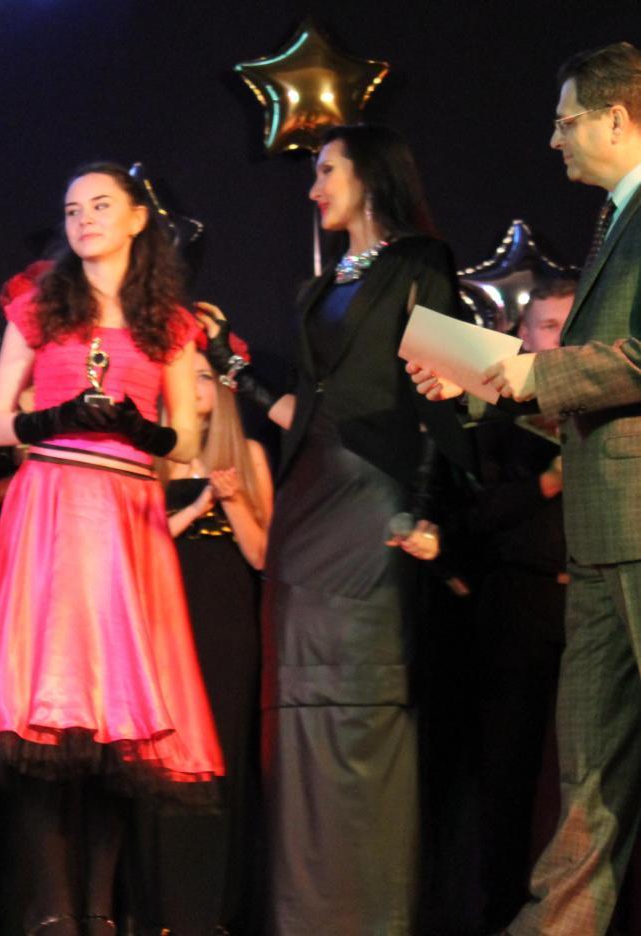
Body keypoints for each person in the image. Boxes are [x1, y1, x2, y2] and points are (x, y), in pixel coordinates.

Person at [0, 162, 224, 936]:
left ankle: (98, 911)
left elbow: (185, 441)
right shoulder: (38, 307)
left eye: (100, 205)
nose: (84, 219)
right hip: (53, 510)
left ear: (137, 219)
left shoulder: (171, 322)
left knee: (119, 724)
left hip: (126, 516)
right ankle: (56, 914)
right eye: (72, 209)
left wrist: (138, 428)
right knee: (42, 713)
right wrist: (52, 418)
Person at [202, 125, 473, 935]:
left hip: (370, 500)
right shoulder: (317, 290)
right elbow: (308, 412)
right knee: (298, 710)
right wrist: (234, 367)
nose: (314, 186)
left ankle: (369, 917)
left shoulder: (422, 263)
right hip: (305, 507)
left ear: (372, 176)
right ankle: (304, 915)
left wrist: (425, 508)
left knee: (362, 702)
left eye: (327, 170)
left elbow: (460, 396)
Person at [411, 42, 641, 934]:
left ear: (618, 118)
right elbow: (588, 382)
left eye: (566, 120)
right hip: (603, 533)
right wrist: (479, 378)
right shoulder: (616, 219)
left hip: (634, 527)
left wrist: (527, 372)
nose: (553, 139)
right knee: (590, 775)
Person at [128, 337, 272, 936]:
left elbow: (263, 556)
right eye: (184, 378)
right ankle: (158, 905)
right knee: (162, 754)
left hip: (226, 622)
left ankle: (216, 908)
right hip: (162, 619)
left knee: (223, 749)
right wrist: (198, 504)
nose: (195, 387)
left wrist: (231, 501)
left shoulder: (250, 454)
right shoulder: (149, 458)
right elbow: (134, 550)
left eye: (205, 377)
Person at [462, 279, 574, 932]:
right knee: (508, 771)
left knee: (589, 774)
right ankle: (501, 912)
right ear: (522, 337)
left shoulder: (610, 406)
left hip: (593, 606)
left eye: (569, 326)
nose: (557, 339)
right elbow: (474, 515)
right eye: (547, 327)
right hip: (518, 610)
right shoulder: (493, 416)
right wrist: (547, 483)